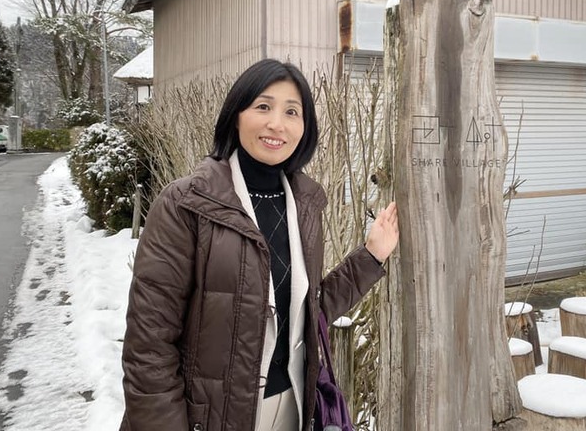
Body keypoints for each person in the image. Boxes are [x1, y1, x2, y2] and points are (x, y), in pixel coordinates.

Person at [119, 59, 399, 431]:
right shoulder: (186, 204)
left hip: (293, 407)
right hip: (210, 417)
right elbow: (149, 347)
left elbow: (306, 313)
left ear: (305, 127)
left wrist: (371, 257)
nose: (277, 124)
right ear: (236, 115)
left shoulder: (305, 205)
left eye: (292, 112)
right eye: (263, 107)